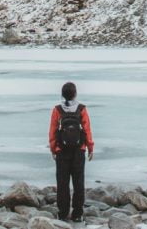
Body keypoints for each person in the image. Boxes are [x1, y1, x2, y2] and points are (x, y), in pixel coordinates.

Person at [49, 82, 94, 222]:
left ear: (62, 94)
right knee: (78, 182)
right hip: (78, 150)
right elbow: (87, 130)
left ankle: (62, 213)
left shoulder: (57, 110)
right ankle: (77, 214)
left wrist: (53, 148)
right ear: (75, 94)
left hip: (61, 151)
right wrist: (90, 148)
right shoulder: (81, 109)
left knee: (62, 183)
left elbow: (53, 130)